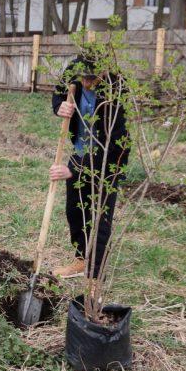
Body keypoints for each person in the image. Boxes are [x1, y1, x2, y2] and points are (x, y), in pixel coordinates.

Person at [49, 56, 130, 279]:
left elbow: (115, 145)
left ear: (104, 72)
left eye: (92, 79)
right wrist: (60, 107)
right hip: (80, 151)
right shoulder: (74, 71)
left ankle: (95, 275)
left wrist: (74, 170)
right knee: (75, 210)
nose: (86, 83)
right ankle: (81, 259)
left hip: (108, 160)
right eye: (83, 77)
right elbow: (58, 92)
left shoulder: (117, 92)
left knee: (101, 217)